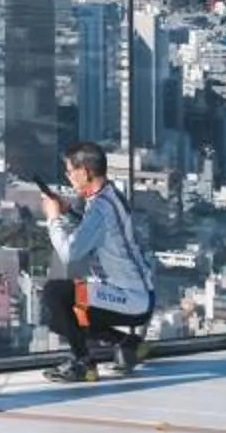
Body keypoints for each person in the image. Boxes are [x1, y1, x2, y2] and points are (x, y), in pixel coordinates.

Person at [36, 141, 152, 382]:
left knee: (54, 295)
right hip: (136, 293)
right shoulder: (108, 195)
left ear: (85, 171)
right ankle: (128, 343)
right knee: (69, 313)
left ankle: (84, 364)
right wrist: (68, 211)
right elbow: (97, 231)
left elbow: (69, 253)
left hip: (129, 297)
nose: (68, 176)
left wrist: (52, 218)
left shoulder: (99, 207)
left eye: (70, 171)